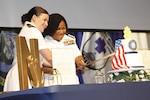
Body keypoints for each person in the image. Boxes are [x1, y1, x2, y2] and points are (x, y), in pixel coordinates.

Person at [3, 6, 52, 91]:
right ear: (34, 18)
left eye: (47, 21)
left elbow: (43, 61)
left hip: (21, 75)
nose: (46, 24)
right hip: (23, 76)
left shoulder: (27, 29)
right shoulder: (33, 31)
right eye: (44, 20)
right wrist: (66, 62)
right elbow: (49, 57)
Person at [42, 13, 86, 85]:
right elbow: (40, 67)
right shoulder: (44, 43)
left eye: (63, 28)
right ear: (51, 29)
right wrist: (58, 70)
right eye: (58, 29)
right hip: (52, 83)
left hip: (71, 82)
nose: (62, 32)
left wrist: (80, 62)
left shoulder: (70, 40)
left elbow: (77, 55)